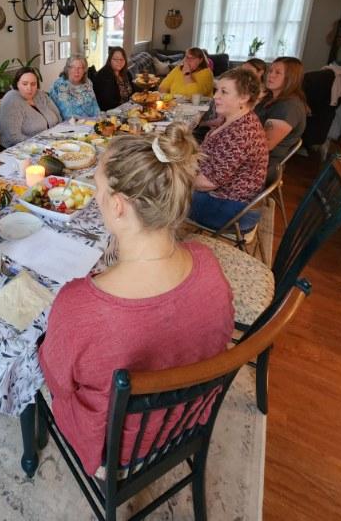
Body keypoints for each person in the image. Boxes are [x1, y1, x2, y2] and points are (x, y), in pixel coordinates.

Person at [39, 126, 234, 476]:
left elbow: (58, 382)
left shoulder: (80, 305)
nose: (96, 199)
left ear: (117, 205)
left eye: (97, 190)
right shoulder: (207, 261)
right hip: (185, 419)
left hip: (114, 448)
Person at [189, 68, 268, 228]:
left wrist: (174, 178)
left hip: (230, 209)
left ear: (243, 98)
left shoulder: (240, 133)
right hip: (228, 199)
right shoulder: (236, 119)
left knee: (159, 192)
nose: (215, 96)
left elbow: (208, 182)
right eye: (217, 90)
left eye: (224, 92)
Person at [254, 57, 307, 183]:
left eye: (277, 72)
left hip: (263, 165)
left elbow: (263, 146)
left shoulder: (289, 107)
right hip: (254, 156)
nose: (270, 75)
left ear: (291, 78)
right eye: (270, 71)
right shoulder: (271, 98)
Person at [0, 67, 61, 148]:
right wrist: (42, 144)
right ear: (17, 84)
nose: (29, 88)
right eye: (25, 84)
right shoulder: (11, 100)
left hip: (49, 142)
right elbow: (14, 138)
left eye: (33, 84)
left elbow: (57, 115)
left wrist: (60, 135)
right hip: (18, 150)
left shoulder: (40, 94)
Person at [48, 54, 100, 119]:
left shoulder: (87, 83)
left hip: (89, 124)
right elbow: (55, 112)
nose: (76, 71)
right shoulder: (58, 85)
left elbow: (95, 106)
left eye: (80, 68)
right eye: (73, 67)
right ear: (67, 69)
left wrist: (97, 120)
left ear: (84, 70)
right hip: (67, 125)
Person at [92, 46, 133, 111]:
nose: (119, 62)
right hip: (111, 113)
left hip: (127, 109)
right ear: (110, 60)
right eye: (115, 59)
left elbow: (133, 93)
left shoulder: (127, 73)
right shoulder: (103, 76)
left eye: (122, 59)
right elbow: (108, 103)